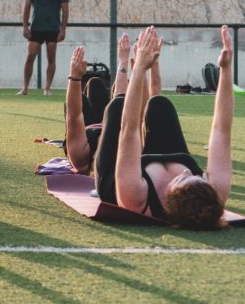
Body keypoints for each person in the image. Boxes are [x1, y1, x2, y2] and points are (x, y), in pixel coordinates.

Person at [94, 26, 233, 229]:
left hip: (117, 178)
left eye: (182, 180)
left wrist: (139, 68)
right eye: (198, 178)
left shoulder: (135, 196)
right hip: (154, 164)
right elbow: (222, 130)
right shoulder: (214, 191)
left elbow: (129, 129)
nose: (187, 173)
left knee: (116, 107)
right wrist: (226, 70)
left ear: (169, 201)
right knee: (160, 105)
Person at [63, 34, 162, 174]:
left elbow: (74, 116)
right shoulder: (130, 146)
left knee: (93, 85)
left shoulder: (81, 157)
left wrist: (75, 77)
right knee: (102, 89)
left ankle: (123, 69)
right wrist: (141, 69)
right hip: (111, 123)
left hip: (89, 129)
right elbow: (142, 115)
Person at [20, 0, 70, 96]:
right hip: (36, 28)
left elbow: (65, 9)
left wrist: (63, 29)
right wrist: (25, 26)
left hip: (53, 29)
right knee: (30, 57)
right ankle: (25, 88)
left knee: (51, 58)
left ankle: (47, 88)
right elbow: (26, 7)